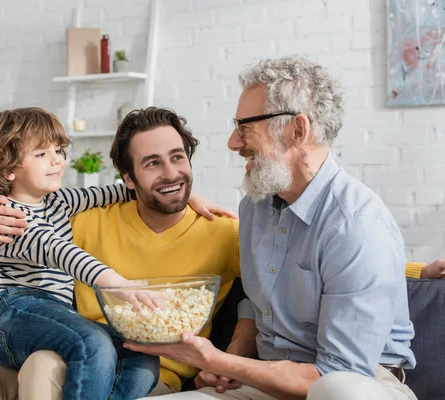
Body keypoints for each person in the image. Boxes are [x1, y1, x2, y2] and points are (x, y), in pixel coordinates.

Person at [124, 56, 419, 400]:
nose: (233, 142)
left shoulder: (358, 227)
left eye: (245, 126)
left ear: (297, 130)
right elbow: (255, 302)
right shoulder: (256, 205)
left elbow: (337, 375)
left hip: (361, 385)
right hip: (268, 381)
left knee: (340, 392)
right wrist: (232, 356)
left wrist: (219, 360)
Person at [0, 107, 241, 400]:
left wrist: (191, 197)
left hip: (143, 363)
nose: (170, 173)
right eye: (152, 163)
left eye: (178, 158)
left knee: (132, 354)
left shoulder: (224, 231)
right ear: (131, 178)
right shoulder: (28, 216)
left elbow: (264, 298)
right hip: (24, 318)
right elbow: (54, 250)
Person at [0, 107, 168, 399]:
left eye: (58, 150)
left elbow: (120, 190)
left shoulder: (59, 201)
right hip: (4, 314)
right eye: (41, 154)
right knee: (92, 342)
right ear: (8, 169)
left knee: (140, 352)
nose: (57, 160)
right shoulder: (4, 214)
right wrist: (118, 284)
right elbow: (57, 250)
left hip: (52, 312)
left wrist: (184, 196)